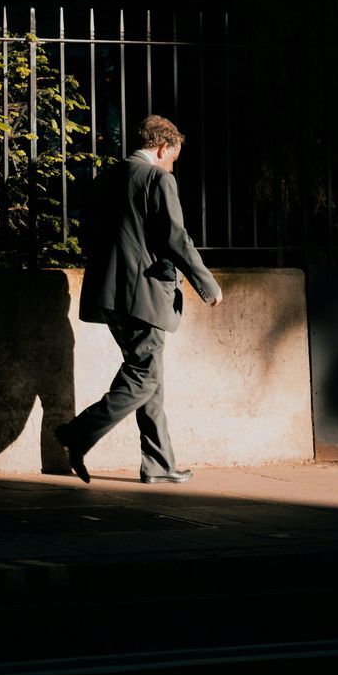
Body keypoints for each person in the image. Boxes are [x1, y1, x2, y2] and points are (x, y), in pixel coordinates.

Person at [55, 114, 222, 485]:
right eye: (173, 156)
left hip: (107, 292)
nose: (172, 164)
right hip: (142, 294)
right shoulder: (156, 178)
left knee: (150, 374)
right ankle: (80, 432)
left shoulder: (106, 178)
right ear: (163, 147)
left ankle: (159, 464)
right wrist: (207, 285)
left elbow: (92, 232)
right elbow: (174, 237)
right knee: (144, 376)